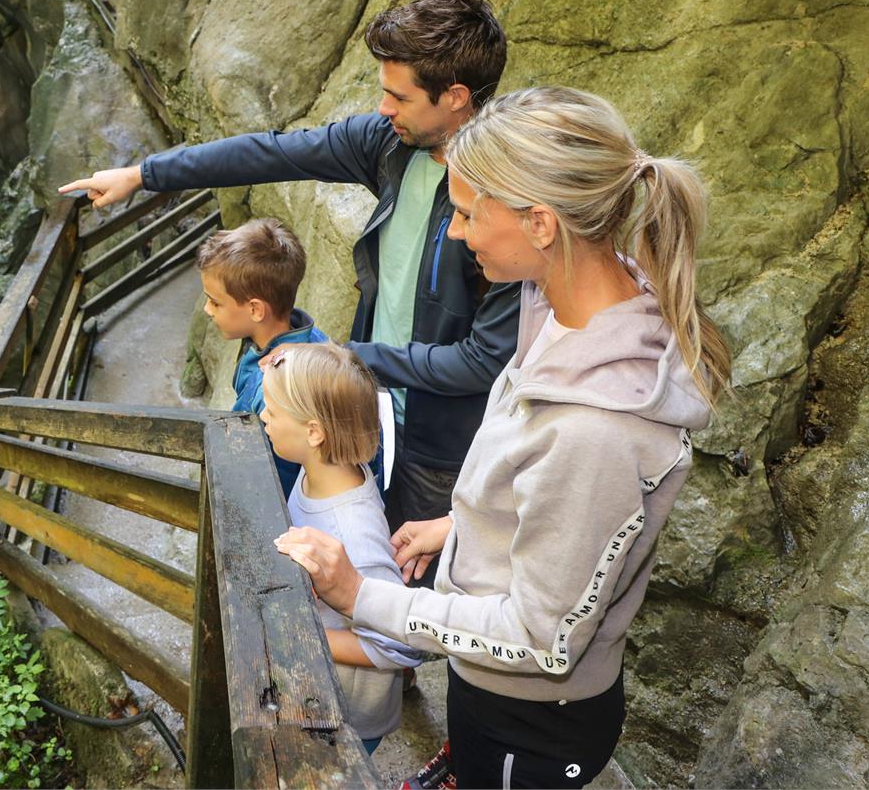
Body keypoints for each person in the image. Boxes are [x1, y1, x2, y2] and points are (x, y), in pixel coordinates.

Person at [274, 86, 732, 790]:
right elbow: (547, 495)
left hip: (533, 718)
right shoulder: (564, 300)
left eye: (464, 212)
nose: (457, 232)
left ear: (541, 223)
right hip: (490, 686)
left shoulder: (598, 430)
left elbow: (538, 639)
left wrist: (358, 595)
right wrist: (464, 525)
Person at [60, 0, 520, 584]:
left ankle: (390, 674)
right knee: (356, 551)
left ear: (456, 98)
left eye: (398, 95)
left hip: (442, 442)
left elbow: (483, 363)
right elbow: (269, 153)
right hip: (372, 408)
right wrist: (144, 174)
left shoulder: (505, 205)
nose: (383, 108)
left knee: (411, 587)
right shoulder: (390, 146)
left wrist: (348, 358)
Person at [259, 342, 422, 754]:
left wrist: (302, 635)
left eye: (272, 411)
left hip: (350, 715)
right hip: (323, 683)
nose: (262, 417)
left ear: (314, 432)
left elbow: (400, 645)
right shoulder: (324, 469)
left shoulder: (354, 531)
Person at [195, 218, 327, 499]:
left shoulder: (273, 389)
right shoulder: (310, 336)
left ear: (255, 310)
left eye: (215, 301)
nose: (207, 309)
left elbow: (268, 476)